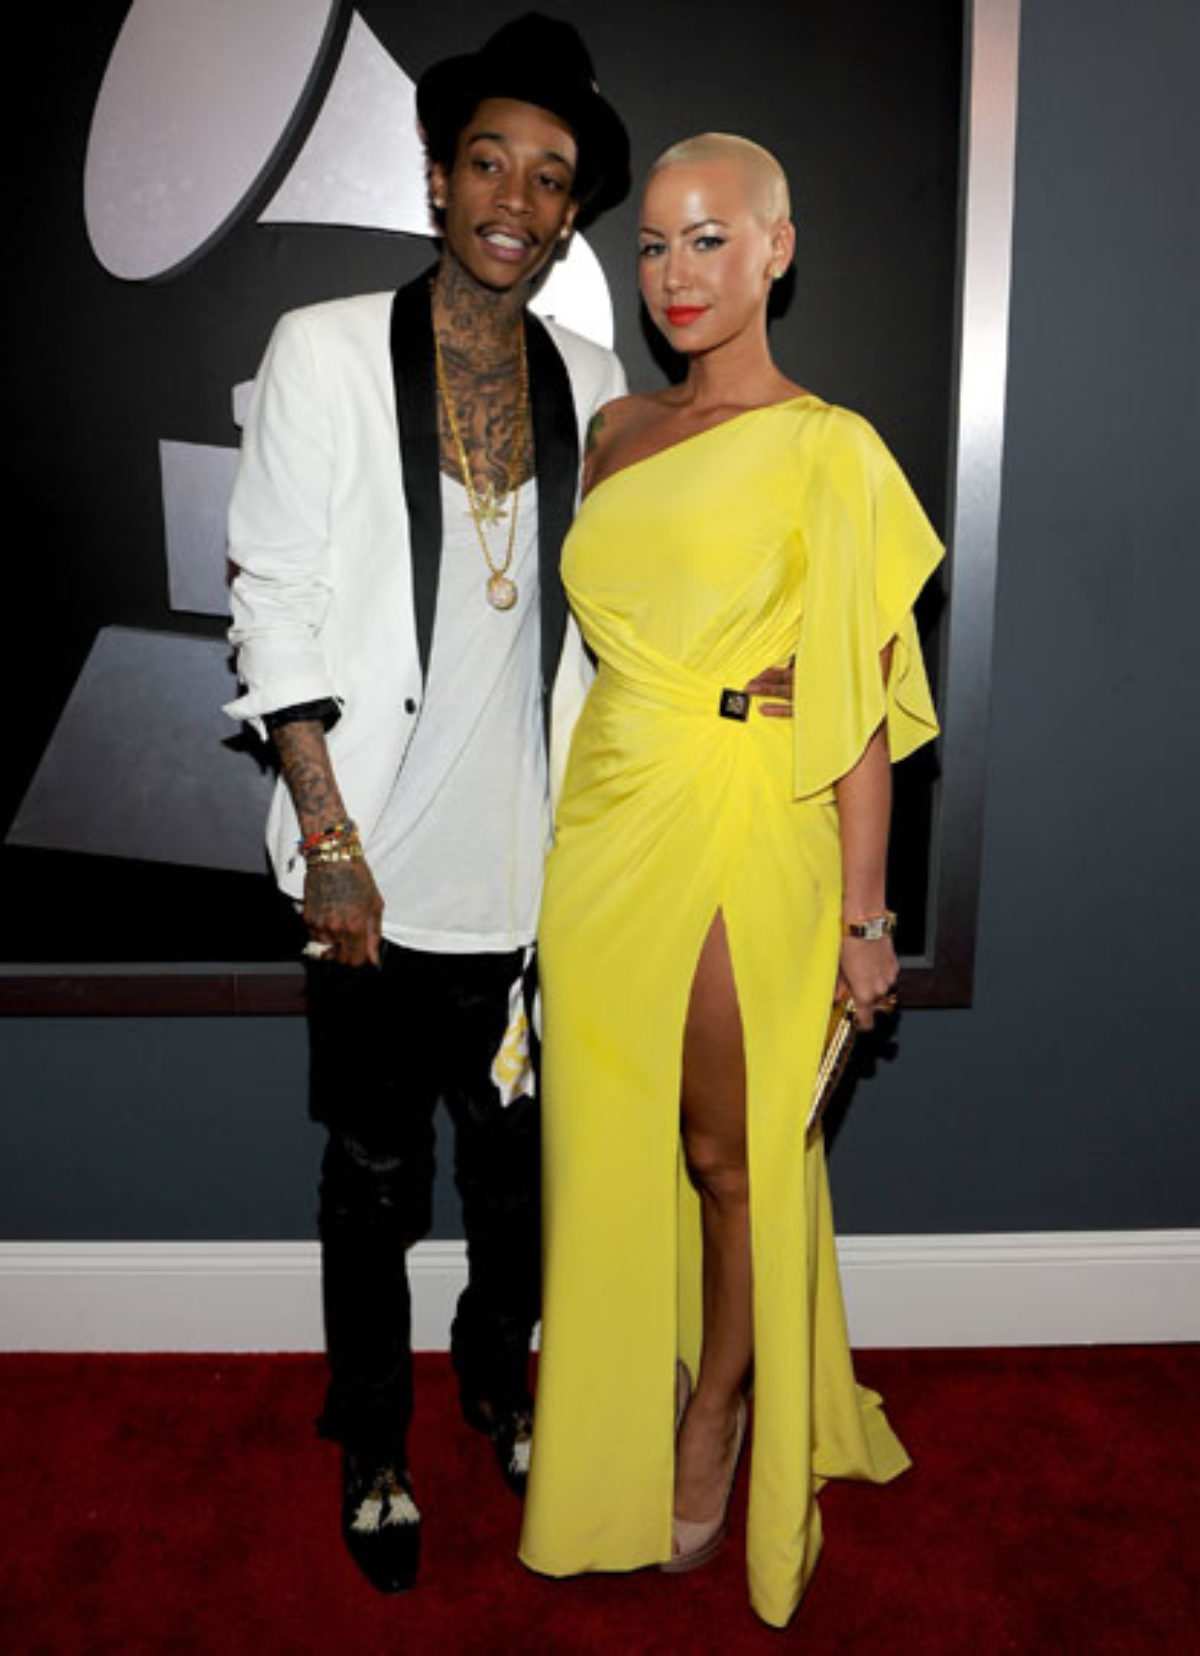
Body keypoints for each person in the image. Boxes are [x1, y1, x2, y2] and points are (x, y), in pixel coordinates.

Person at [223, 14, 634, 1595]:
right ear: (439, 177)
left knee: (518, 1187)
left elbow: (625, 620)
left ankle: (495, 1384)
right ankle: (377, 1443)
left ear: (571, 211)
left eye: (550, 177)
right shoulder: (324, 348)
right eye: (490, 164)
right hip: (372, 879)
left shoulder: (593, 380)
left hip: (536, 885)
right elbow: (273, 601)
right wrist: (330, 844)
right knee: (373, 1185)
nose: (515, 200)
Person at [519, 134, 943, 1628]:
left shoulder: (833, 448)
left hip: (745, 826)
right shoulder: (615, 429)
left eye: (710, 240)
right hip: (605, 831)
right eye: (653, 244)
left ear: (777, 249)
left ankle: (717, 1418)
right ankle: (625, 1391)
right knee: (603, 1143)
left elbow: (862, 710)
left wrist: (866, 917)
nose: (676, 273)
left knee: (729, 1155)